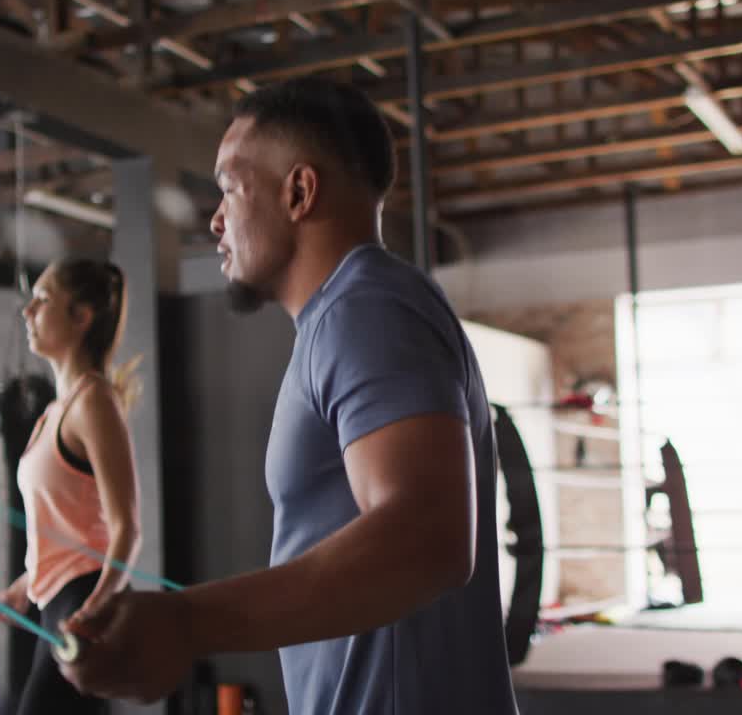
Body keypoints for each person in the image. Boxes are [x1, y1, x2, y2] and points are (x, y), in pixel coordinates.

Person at [59, 77, 519, 714]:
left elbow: (429, 538)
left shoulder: (365, 310)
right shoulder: (347, 316)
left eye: (228, 187)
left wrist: (187, 622)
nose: (215, 217)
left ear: (299, 191)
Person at [0, 258, 143, 715]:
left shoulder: (94, 401)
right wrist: (19, 589)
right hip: (55, 605)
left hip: (80, 605)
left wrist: (94, 610)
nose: (28, 311)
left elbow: (126, 530)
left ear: (81, 317)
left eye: (43, 300)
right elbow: (67, 530)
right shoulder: (55, 411)